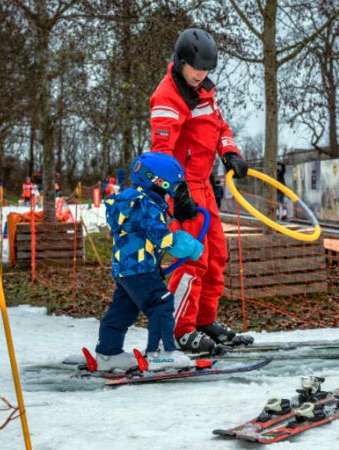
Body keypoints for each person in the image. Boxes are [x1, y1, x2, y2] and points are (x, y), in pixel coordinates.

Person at [149, 27, 254, 354]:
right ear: (180, 63)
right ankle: (180, 329)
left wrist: (230, 152)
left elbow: (220, 127)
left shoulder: (204, 91)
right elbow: (160, 153)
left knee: (216, 256)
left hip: (205, 185)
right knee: (192, 258)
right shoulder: (167, 97)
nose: (201, 76)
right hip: (184, 189)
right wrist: (174, 191)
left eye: (207, 71)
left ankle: (204, 320)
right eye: (197, 70)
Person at [95, 152, 204, 372]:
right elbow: (162, 237)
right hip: (140, 266)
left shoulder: (131, 201)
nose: (172, 192)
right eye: (171, 186)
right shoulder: (147, 205)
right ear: (157, 180)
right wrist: (188, 245)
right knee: (160, 302)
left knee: (124, 308)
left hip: (125, 268)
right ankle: (161, 354)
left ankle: (108, 353)